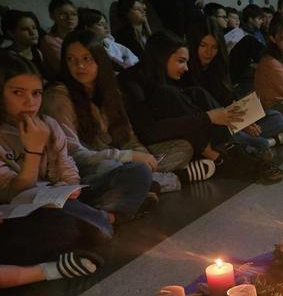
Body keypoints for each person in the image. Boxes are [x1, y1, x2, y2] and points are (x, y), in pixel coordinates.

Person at [0, 53, 110, 280]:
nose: (30, 102)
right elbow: (12, 194)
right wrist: (33, 150)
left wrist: (68, 189)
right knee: (64, 226)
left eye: (36, 93)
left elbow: (67, 169)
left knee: (132, 173)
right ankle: (95, 222)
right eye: (18, 93)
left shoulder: (48, 124)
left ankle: (98, 218)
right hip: (19, 213)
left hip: (51, 199)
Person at [120, 31, 281, 183]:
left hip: (206, 134)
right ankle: (221, 155)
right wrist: (209, 117)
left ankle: (230, 148)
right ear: (162, 57)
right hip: (152, 146)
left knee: (197, 93)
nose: (186, 68)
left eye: (215, 47)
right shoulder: (132, 82)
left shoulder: (163, 75)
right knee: (170, 94)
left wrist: (232, 117)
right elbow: (150, 131)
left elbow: (210, 103)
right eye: (181, 61)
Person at [42, 30, 186, 201]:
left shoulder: (110, 89)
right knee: (109, 167)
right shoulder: (59, 97)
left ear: (99, 59)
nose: (79, 66)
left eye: (87, 58)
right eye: (71, 59)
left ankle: (142, 184)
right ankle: (165, 181)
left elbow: (128, 136)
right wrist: (130, 157)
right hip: (90, 167)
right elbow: (73, 155)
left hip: (121, 159)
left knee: (182, 148)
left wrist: (143, 156)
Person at [185, 18, 283, 149]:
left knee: (276, 118)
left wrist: (245, 121)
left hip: (232, 119)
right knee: (227, 135)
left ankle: (248, 145)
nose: (209, 52)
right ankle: (265, 143)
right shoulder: (185, 69)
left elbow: (228, 100)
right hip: (212, 123)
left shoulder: (217, 67)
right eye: (203, 46)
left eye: (214, 47)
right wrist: (236, 123)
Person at [39, 0, 78, 79]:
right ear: (52, 16)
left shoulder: (82, 36)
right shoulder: (49, 40)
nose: (69, 17)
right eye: (63, 14)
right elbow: (64, 68)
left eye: (73, 14)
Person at [1, 10, 47, 79]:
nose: (32, 32)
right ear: (11, 33)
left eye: (34, 28)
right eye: (25, 29)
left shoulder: (37, 53)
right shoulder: (6, 57)